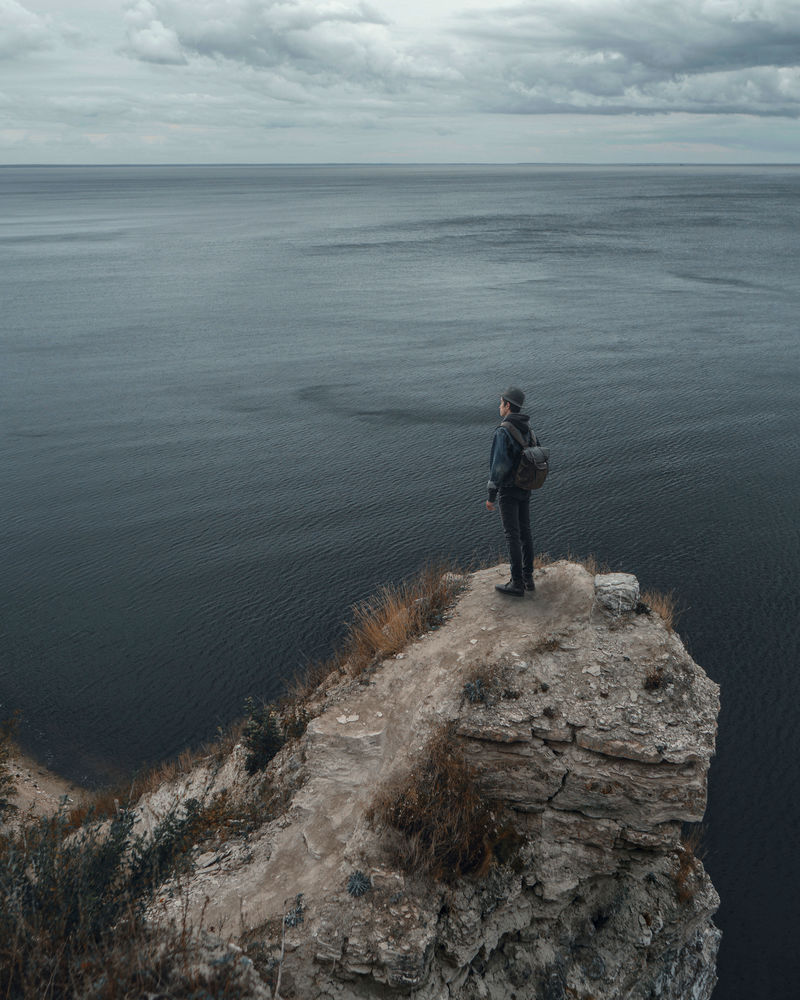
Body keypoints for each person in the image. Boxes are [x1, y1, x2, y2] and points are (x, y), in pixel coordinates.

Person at [485, 387, 535, 597]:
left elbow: (498, 467)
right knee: (525, 532)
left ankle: (516, 583)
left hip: (508, 489)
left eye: (501, 403)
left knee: (511, 535)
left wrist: (491, 496)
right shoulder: (527, 427)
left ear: (507, 405)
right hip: (526, 486)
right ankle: (528, 578)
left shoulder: (503, 430)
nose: (499, 406)